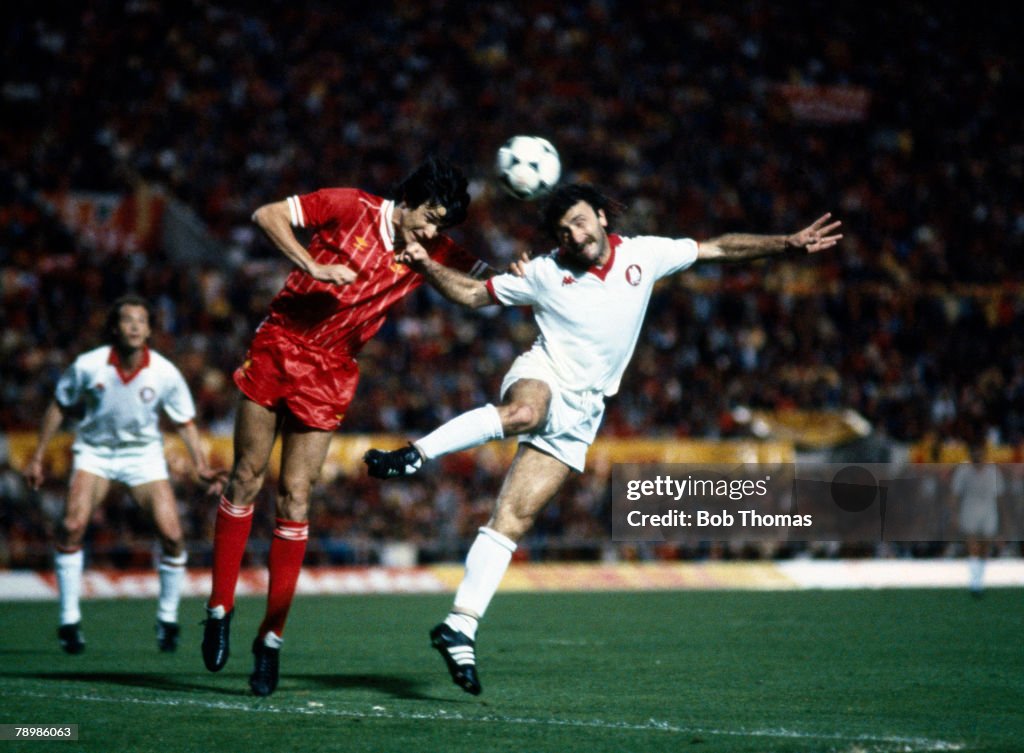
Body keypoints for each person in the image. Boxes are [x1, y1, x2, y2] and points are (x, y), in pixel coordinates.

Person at [364, 183, 842, 695]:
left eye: (579, 221)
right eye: (565, 229)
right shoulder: (545, 272)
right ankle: (415, 455)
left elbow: (718, 248)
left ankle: (460, 625)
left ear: (598, 215)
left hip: (585, 411)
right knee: (524, 412)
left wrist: (787, 244)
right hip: (544, 374)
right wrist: (426, 266)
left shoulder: (645, 254)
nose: (574, 233)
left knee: (512, 520)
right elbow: (473, 295)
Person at [202, 156, 496, 697]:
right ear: (410, 200)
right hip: (281, 341)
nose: (433, 231)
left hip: (333, 369)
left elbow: (485, 282)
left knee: (295, 497)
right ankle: (219, 607)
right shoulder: (348, 205)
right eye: (430, 217)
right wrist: (310, 266)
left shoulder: (430, 247)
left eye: (441, 226)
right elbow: (267, 215)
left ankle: (269, 641)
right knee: (245, 476)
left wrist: (511, 272)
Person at [23, 294, 221, 654]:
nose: (134, 326)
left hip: (143, 456)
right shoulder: (88, 365)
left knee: (173, 535)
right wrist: (38, 456)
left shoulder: (163, 372)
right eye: (127, 320)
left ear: (148, 330)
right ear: (115, 327)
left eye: (141, 321)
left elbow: (184, 422)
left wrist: (200, 464)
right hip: (95, 454)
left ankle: (168, 618)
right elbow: (59, 405)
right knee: (71, 526)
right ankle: (69, 620)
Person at [950, 440, 1005, 597]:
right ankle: (975, 582)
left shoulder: (993, 471)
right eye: (974, 452)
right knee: (972, 544)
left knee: (985, 547)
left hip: (989, 511)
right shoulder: (963, 470)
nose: (977, 455)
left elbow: (999, 496)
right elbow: (955, 494)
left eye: (979, 451)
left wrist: (1002, 517)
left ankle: (980, 578)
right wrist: (954, 514)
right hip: (969, 510)